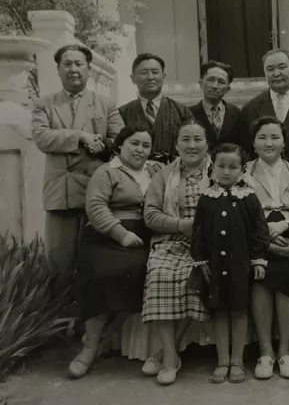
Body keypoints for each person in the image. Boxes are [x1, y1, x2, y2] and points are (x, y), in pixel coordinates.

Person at [68, 125, 161, 379]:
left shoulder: (156, 170)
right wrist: (121, 234)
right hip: (104, 237)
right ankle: (89, 348)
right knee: (103, 276)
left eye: (145, 145)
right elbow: (96, 207)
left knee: (144, 273)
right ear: (120, 145)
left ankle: (105, 337)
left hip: (142, 237)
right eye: (134, 143)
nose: (140, 150)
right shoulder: (106, 172)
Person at [31, 44, 124, 291]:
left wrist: (101, 145)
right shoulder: (44, 104)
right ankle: (62, 314)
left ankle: (93, 316)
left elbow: (120, 141)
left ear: (89, 69)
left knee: (96, 264)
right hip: (60, 194)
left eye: (79, 63)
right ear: (58, 69)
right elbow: (41, 137)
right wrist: (81, 137)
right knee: (59, 266)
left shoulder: (105, 103)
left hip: (96, 193)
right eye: (67, 64)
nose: (73, 69)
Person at [191, 143, 270, 384]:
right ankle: (222, 361)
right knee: (219, 311)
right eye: (221, 166)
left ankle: (237, 361)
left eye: (233, 167)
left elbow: (260, 231)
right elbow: (198, 232)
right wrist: (201, 260)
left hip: (240, 265)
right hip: (214, 264)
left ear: (243, 169)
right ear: (212, 167)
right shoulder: (207, 199)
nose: (226, 172)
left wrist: (258, 260)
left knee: (238, 310)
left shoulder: (249, 198)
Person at [141, 120, 213, 385]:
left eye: (198, 139)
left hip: (209, 245)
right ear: (176, 145)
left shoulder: (219, 170)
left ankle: (165, 352)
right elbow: (150, 214)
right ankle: (171, 359)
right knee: (160, 275)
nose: (192, 145)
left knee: (194, 281)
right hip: (171, 240)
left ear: (207, 144)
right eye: (185, 140)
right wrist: (181, 225)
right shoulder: (163, 175)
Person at [243, 116, 289, 380]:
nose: (269, 143)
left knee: (287, 272)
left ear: (284, 142)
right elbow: (241, 206)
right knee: (259, 274)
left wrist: (283, 225)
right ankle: (265, 350)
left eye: (275, 137)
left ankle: (285, 349)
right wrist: (263, 232)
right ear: (254, 143)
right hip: (254, 231)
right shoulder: (244, 171)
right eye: (262, 137)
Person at [119, 53, 195, 163]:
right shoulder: (122, 113)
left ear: (163, 77)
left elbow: (193, 145)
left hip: (174, 170)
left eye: (155, 72)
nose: (150, 77)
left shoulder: (182, 111)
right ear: (133, 78)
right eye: (144, 73)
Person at [188, 60, 248, 152]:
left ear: (227, 89)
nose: (215, 86)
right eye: (210, 80)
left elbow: (244, 148)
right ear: (201, 84)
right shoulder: (188, 113)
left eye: (221, 82)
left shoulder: (237, 114)